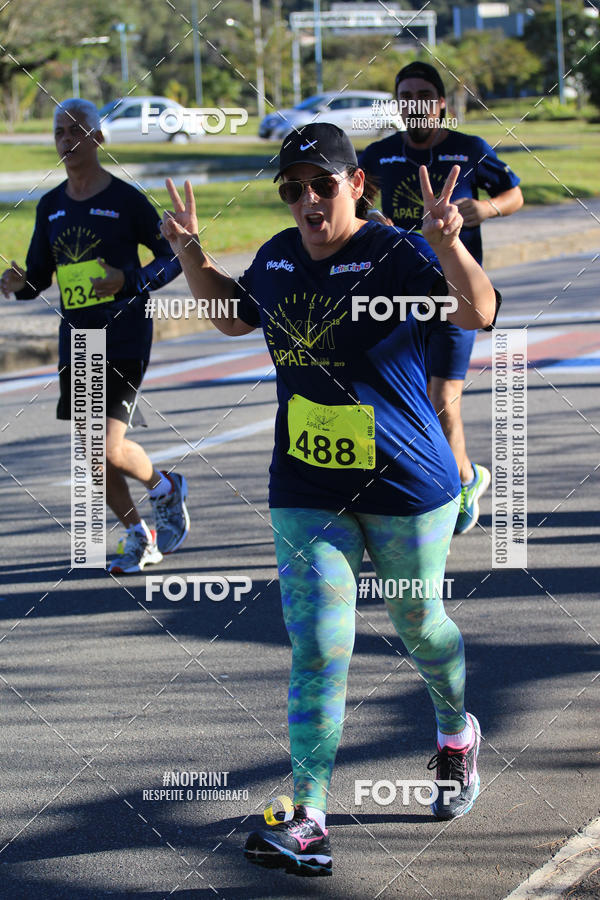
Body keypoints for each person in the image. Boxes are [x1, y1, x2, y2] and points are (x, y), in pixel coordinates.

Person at [161, 123, 498, 876]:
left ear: (356, 187)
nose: (308, 200)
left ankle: (454, 733)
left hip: (408, 484)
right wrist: (191, 254)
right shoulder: (280, 256)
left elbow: (477, 314)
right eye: (293, 189)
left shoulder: (395, 254)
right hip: (306, 484)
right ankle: (309, 815)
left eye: (322, 184)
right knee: (318, 646)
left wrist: (448, 243)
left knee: (421, 626)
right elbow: (234, 314)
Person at [0, 98, 189, 573]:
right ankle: (141, 525)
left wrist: (128, 281)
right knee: (91, 452)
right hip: (77, 337)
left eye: (77, 130)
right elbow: (41, 275)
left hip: (124, 333)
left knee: (103, 446)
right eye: (59, 132)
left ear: (99, 139)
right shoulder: (51, 206)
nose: (67, 140)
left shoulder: (125, 200)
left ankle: (160, 496)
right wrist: (19, 285)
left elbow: (173, 256)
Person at [359, 61, 523, 533]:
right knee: (403, 396)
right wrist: (371, 217)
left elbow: (514, 193)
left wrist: (486, 207)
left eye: (422, 96)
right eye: (404, 95)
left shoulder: (467, 150)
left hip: (454, 293)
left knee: (442, 393)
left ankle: (452, 488)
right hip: (399, 295)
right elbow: (357, 199)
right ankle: (462, 475)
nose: (413, 104)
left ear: (440, 105)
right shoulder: (380, 154)